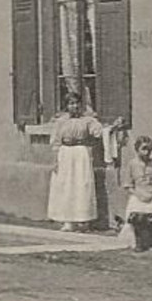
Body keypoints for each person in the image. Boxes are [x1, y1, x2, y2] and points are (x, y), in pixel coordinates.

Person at [47, 94, 117, 232]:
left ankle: (83, 220)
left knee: (82, 185)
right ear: (66, 106)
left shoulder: (88, 121)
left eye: (77, 103)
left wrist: (112, 127)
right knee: (66, 186)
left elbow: (100, 132)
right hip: (65, 153)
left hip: (81, 154)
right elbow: (56, 141)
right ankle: (68, 220)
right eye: (71, 103)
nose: (75, 106)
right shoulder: (61, 122)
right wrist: (56, 160)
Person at [122, 135, 152, 252]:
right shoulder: (132, 164)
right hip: (138, 195)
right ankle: (139, 241)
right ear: (137, 149)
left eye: (149, 149)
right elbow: (128, 185)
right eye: (143, 149)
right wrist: (139, 195)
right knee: (136, 213)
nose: (147, 152)